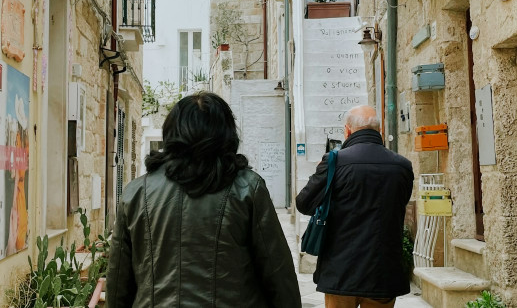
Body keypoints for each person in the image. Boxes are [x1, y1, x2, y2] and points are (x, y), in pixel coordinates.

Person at [107, 92, 301, 308]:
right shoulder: (247, 189)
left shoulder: (136, 193)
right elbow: (278, 273)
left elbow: (118, 282)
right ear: (225, 133)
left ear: (171, 133)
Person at [296, 105, 414, 308]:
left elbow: (304, 204)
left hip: (341, 272)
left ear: (348, 130)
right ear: (380, 131)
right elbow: (399, 204)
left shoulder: (335, 162)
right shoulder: (402, 165)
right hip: (383, 272)